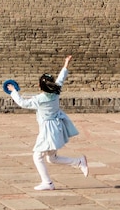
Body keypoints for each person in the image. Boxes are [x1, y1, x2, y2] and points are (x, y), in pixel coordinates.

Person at [7, 55, 89, 190]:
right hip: (57, 127)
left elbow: (22, 103)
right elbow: (61, 78)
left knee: (37, 156)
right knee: (52, 158)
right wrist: (66, 64)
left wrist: (13, 91)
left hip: (48, 130)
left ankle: (48, 183)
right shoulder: (56, 91)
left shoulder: (40, 99)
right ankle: (79, 161)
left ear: (40, 86)